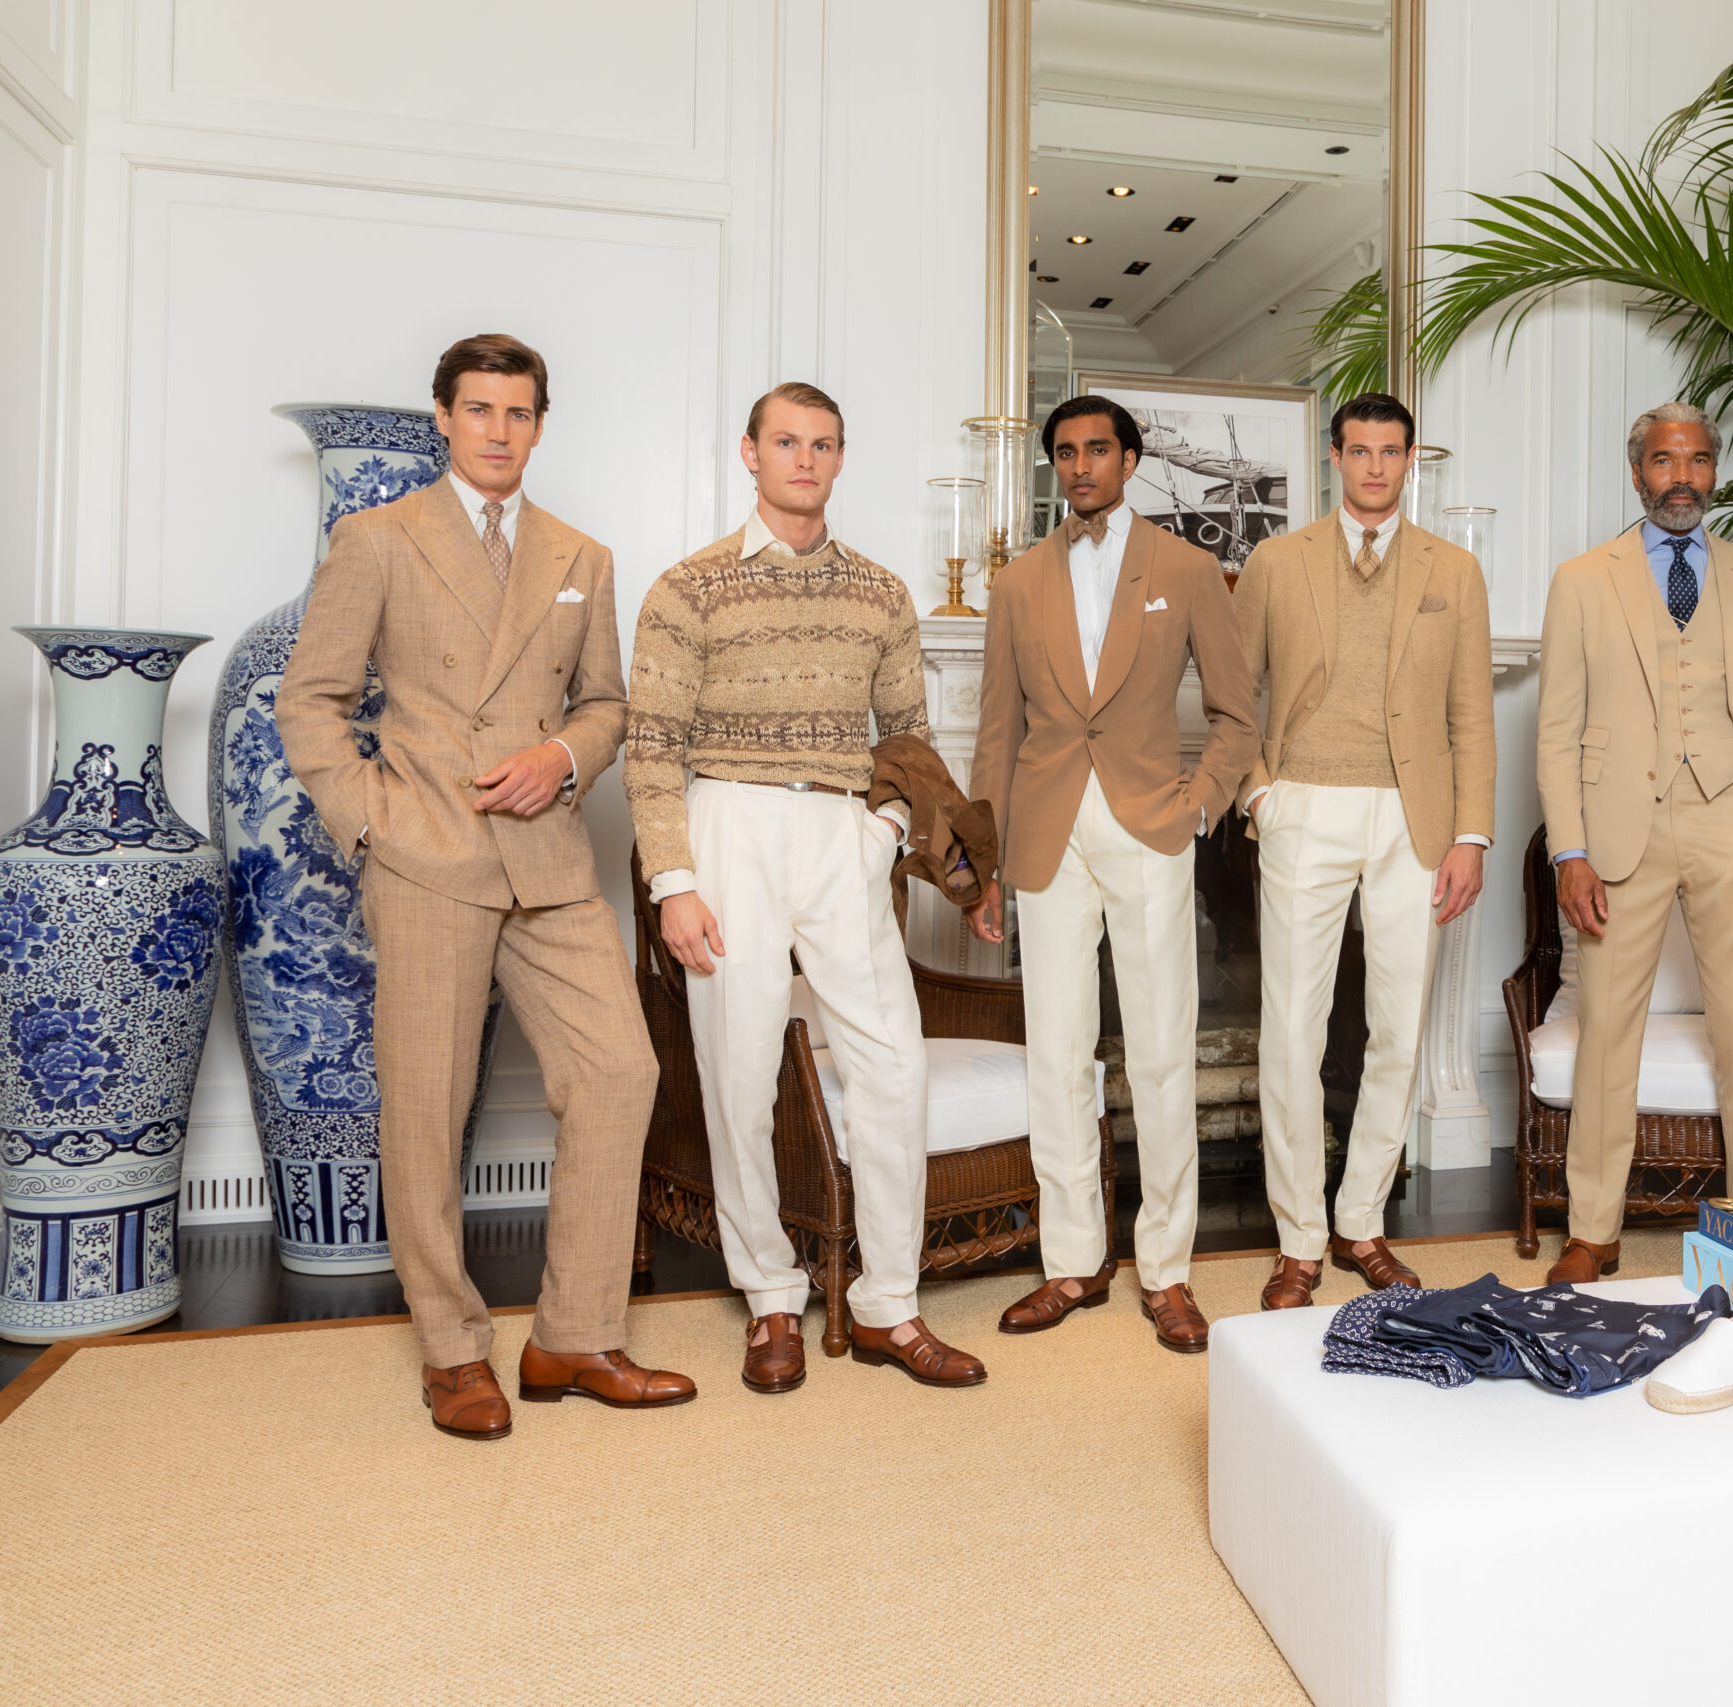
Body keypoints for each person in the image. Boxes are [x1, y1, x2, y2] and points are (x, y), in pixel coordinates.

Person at [276, 333, 691, 1440]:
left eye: (517, 413)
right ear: (444, 418)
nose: (498, 431)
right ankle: (452, 1348)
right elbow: (310, 700)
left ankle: (575, 1337)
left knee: (619, 1070)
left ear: (540, 425)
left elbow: (605, 705)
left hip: (547, 853)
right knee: (425, 1105)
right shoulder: (377, 538)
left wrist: (562, 758)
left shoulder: (582, 553)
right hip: (429, 854)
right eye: (478, 410)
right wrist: (373, 822)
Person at [625, 382, 985, 1392]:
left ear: (839, 458)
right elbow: (650, 749)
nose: (804, 459)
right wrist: (674, 882)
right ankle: (772, 1298)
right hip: (726, 824)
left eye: (822, 444)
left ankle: (889, 1306)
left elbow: (909, 740)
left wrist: (882, 833)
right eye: (786, 442)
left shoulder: (880, 592)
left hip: (840, 830)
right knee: (739, 1074)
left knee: (892, 1063)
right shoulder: (688, 587)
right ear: (750, 452)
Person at [964, 397, 1258, 1352]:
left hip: (1151, 824)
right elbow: (996, 731)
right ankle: (1072, 1262)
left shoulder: (1185, 569)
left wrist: (1199, 804)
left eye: (1097, 449)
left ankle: (1166, 1270)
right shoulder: (1017, 583)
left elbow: (1236, 714)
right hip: (1045, 832)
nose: (1081, 465)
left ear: (1130, 460)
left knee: (1164, 1048)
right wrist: (981, 865)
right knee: (1056, 1051)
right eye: (1065, 452)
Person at [1229, 392, 1496, 1311]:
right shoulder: (1276, 562)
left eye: (1391, 452)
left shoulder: (1454, 570)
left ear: (1410, 460)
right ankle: (1298, 1236)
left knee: (1397, 1029)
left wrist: (1470, 833)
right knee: (1292, 1032)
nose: (1375, 467)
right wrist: (1260, 792)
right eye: (1360, 451)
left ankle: (1362, 1221)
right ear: (1335, 457)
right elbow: (1234, 693)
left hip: (1414, 819)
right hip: (1303, 805)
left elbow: (1472, 715)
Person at [1535, 403, 1733, 1286]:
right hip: (1620, 827)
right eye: (1661, 461)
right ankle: (1592, 1228)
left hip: (1732, 817)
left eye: (1696, 461)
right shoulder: (1583, 580)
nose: (1680, 477)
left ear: (1714, 470)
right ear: (1637, 471)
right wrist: (1569, 850)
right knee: (1609, 1028)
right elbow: (1556, 728)